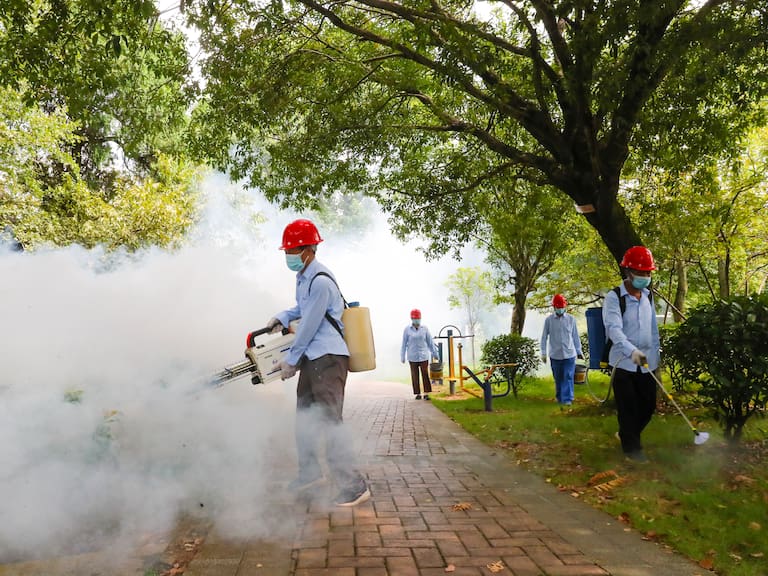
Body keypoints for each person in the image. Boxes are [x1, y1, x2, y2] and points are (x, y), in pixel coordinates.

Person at [255, 218, 370, 507]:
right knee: (304, 417)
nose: (288, 257)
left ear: (308, 249)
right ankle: (309, 472)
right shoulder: (305, 277)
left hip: (328, 359)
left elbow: (309, 325)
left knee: (331, 421)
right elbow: (301, 310)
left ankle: (353, 485)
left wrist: (290, 360)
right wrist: (282, 316)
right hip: (313, 359)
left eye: (291, 251)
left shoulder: (320, 281)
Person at [603, 245, 660, 463]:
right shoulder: (615, 297)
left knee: (648, 406)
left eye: (648, 273)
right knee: (628, 407)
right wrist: (631, 351)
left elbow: (653, 328)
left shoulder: (648, 296)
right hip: (623, 362)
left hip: (646, 362)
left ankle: (627, 434)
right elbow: (614, 329)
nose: (645, 277)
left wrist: (655, 356)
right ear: (628, 272)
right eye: (641, 272)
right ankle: (632, 451)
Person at [540, 294, 584, 408]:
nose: (560, 309)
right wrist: (543, 353)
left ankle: (568, 399)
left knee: (568, 376)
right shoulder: (549, 320)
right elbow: (544, 337)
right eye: (558, 307)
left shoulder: (571, 319)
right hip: (555, 355)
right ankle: (560, 398)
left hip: (569, 354)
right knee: (558, 378)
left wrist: (579, 351)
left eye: (562, 307)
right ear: (554, 307)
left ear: (565, 306)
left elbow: (575, 336)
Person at [400, 308, 439, 400]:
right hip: (412, 356)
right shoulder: (407, 329)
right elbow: (404, 344)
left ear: (420, 318)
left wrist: (435, 353)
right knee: (415, 375)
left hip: (423, 356)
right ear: (412, 319)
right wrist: (402, 356)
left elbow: (430, 342)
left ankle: (426, 393)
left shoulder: (424, 329)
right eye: (415, 318)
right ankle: (417, 393)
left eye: (418, 318)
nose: (416, 320)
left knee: (425, 374)